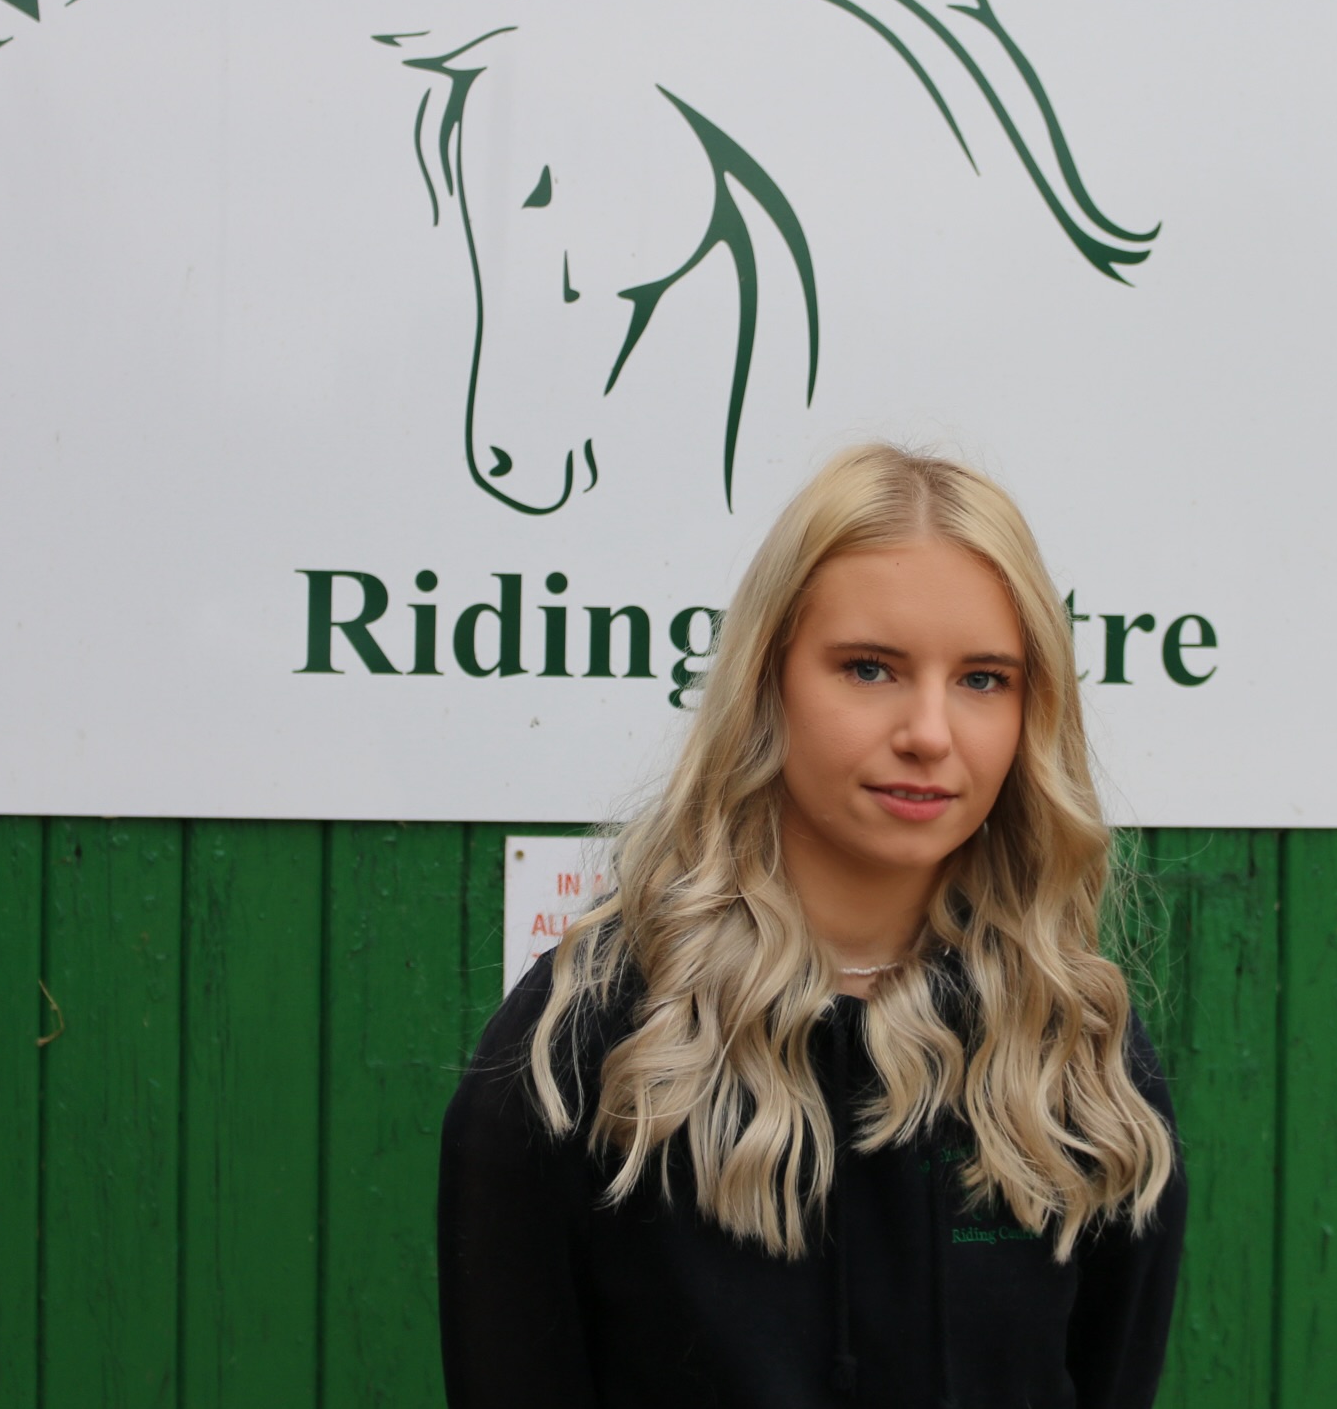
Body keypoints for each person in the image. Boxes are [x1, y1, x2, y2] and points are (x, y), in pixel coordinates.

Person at [438, 443, 1186, 1409]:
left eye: (983, 679)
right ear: (768, 679)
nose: (929, 732)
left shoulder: (1076, 1057)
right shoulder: (581, 1049)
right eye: (869, 668)